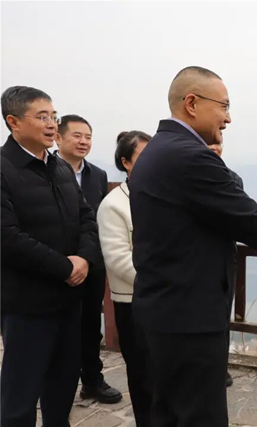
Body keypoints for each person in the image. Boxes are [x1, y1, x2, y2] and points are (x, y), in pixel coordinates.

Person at [129, 66, 257, 426]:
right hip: (189, 315)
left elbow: (220, 213)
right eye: (224, 106)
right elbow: (247, 214)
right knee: (199, 416)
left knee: (169, 412)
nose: (228, 118)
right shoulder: (189, 155)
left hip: (163, 309)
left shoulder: (158, 150)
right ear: (192, 103)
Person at [1, 86, 100, 426]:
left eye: (53, 116)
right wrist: (64, 267)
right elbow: (7, 238)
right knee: (20, 394)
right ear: (14, 121)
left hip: (68, 301)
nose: (51, 124)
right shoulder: (3, 169)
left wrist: (85, 258)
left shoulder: (60, 167)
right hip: (26, 304)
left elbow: (87, 216)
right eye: (42, 117)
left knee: (62, 386)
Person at [55, 114, 123, 404]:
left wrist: (89, 256)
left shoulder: (98, 175)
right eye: (77, 136)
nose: (83, 142)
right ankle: (58, 386)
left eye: (88, 137)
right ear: (58, 138)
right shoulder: (46, 171)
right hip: (57, 263)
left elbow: (98, 219)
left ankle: (92, 380)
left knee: (90, 324)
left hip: (92, 261)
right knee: (59, 326)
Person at [97, 130, 152, 426]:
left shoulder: (164, 195)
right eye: (143, 157)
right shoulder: (113, 205)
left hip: (166, 300)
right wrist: (161, 281)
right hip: (134, 302)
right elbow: (118, 260)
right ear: (125, 162)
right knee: (144, 377)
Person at [210, 142, 240, 388]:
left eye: (217, 144)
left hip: (224, 259)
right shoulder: (184, 174)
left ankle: (220, 366)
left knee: (222, 316)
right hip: (198, 262)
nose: (214, 148)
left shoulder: (232, 178)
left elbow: (242, 217)